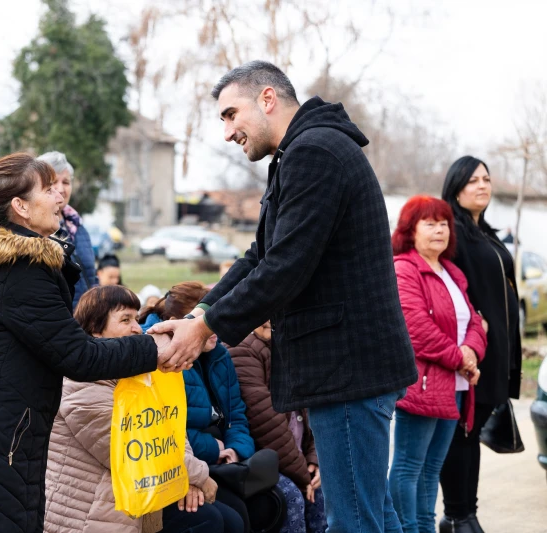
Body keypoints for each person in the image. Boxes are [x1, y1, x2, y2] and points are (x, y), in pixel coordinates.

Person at [148, 60, 418, 533]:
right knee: (374, 517)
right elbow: (260, 255)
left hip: (348, 370)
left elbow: (285, 267)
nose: (228, 131)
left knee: (355, 522)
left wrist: (205, 329)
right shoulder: (301, 153)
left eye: (231, 114)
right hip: (349, 368)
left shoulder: (315, 152)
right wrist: (200, 313)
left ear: (267, 99)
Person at [0, 153, 175, 533]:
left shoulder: (16, 264)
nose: (60, 197)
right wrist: (155, 349)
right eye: (49, 189)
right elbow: (78, 355)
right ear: (20, 207)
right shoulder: (21, 271)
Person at [44, 285, 240, 533]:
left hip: (142, 487)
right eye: (125, 319)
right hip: (94, 510)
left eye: (136, 319)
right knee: (209, 521)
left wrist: (186, 479)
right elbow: (134, 450)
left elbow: (171, 428)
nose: (137, 328)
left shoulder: (134, 373)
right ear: (95, 330)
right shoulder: (80, 385)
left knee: (235, 516)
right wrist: (195, 476)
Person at [387, 196, 487, 533]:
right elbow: (415, 328)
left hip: (454, 386)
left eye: (443, 223)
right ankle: (407, 529)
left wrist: (472, 351)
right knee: (408, 466)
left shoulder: (452, 272)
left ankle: (425, 528)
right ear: (410, 230)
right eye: (429, 223)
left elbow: (475, 322)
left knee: (431, 469)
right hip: (423, 385)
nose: (439, 230)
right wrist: (462, 358)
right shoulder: (404, 268)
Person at [439, 157, 521, 533]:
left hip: (496, 350)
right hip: (470, 351)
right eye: (473, 180)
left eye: (486, 179)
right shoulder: (451, 233)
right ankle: (459, 515)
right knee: (462, 434)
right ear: (456, 186)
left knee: (470, 433)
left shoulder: (484, 232)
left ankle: (462, 514)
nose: (482, 186)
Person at [140, 282, 256, 533]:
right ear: (174, 322)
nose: (213, 328)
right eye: (204, 321)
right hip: (189, 462)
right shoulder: (161, 358)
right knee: (226, 520)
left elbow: (236, 413)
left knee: (252, 509)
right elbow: (164, 427)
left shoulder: (220, 355)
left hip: (222, 460)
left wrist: (235, 449)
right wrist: (213, 450)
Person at [229, 321, 327, 533]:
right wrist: (302, 474)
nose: (269, 318)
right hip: (263, 458)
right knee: (292, 497)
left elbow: (312, 404)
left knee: (325, 491)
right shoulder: (242, 348)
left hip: (296, 458)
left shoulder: (289, 342)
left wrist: (315, 458)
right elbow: (263, 420)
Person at [37, 151, 98, 307]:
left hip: (89, 319)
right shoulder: (37, 227)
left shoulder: (78, 225)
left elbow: (91, 276)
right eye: (53, 182)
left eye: (66, 182)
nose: (61, 189)